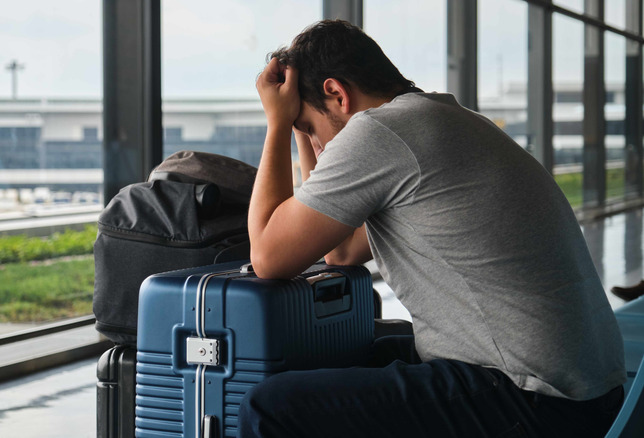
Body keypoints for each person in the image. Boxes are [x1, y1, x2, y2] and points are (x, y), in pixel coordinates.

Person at [241, 19, 626, 437]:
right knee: (359, 351)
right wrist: (304, 124)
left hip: (535, 401)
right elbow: (340, 251)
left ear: (337, 93)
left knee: (271, 407)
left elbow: (268, 257)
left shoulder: (379, 132)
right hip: (588, 393)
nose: (318, 148)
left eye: (312, 130)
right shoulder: (444, 121)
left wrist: (278, 123)